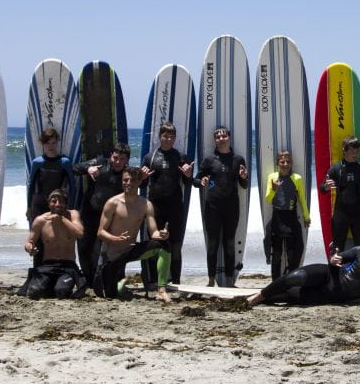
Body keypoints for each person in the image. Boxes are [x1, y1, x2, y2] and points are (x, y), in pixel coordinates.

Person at [247, 231, 360, 307]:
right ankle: (257, 296)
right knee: (295, 277)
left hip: (332, 294)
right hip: (328, 274)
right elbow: (337, 258)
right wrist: (334, 258)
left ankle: (250, 298)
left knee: (286, 297)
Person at [95, 167, 172, 302]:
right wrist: (116, 239)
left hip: (131, 249)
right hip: (113, 255)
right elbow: (100, 232)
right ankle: (121, 283)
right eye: (125, 180)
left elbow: (153, 232)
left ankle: (161, 290)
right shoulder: (113, 203)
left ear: (139, 182)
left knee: (163, 245)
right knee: (111, 294)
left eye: (132, 180)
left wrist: (162, 234)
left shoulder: (145, 204)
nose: (128, 183)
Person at [193, 126, 248, 287]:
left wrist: (244, 177)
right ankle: (210, 280)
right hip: (213, 206)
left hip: (232, 206)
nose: (221, 138)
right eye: (218, 136)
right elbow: (196, 180)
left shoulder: (238, 159)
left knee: (229, 242)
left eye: (224, 136)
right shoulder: (209, 160)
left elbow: (243, 185)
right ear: (214, 140)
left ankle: (230, 281)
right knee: (213, 243)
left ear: (229, 138)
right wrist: (201, 181)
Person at [141, 123, 192, 285]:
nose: (168, 139)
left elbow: (187, 182)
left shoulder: (180, 157)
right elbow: (142, 186)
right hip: (155, 207)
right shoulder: (150, 157)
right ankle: (154, 281)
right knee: (154, 244)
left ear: (175, 138)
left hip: (175, 207)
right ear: (159, 136)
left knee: (175, 245)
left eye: (171, 136)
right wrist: (141, 178)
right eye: (165, 136)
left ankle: (175, 280)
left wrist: (188, 175)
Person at [72, 143, 129, 286]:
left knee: (98, 253)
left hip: (109, 220)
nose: (117, 162)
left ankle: (106, 279)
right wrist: (88, 168)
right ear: (111, 155)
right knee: (84, 248)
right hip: (88, 213)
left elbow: (138, 187)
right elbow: (75, 168)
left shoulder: (127, 174)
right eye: (115, 158)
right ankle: (88, 280)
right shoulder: (99, 163)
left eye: (122, 159)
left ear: (126, 160)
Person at [22, 189, 86, 300]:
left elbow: (80, 234)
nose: (57, 204)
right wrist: (30, 248)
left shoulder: (73, 215)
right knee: (35, 292)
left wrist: (61, 219)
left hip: (68, 265)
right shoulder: (41, 220)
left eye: (61, 201)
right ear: (48, 203)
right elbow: (29, 242)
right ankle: (50, 284)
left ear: (66, 204)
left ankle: (60, 285)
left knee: (62, 292)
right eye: (54, 201)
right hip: (48, 265)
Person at [321, 136, 360, 254]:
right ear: (344, 150)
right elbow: (322, 189)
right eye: (351, 151)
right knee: (337, 247)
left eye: (357, 151)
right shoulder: (336, 168)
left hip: (359, 213)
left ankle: (359, 272)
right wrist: (326, 187)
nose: (355, 154)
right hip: (341, 213)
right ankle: (336, 272)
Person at [264, 151, 310, 280]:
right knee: (277, 256)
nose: (285, 164)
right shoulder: (272, 177)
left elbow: (301, 198)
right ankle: (275, 284)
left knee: (292, 256)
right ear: (277, 163)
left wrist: (306, 217)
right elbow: (268, 199)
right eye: (282, 162)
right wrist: (274, 189)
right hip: (277, 219)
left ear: (291, 163)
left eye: (288, 162)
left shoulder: (297, 178)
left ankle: (290, 284)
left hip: (291, 219)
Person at [26, 128, 73, 223]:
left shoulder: (65, 162)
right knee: (38, 235)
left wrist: (70, 206)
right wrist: (28, 207)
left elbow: (73, 185)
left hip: (57, 203)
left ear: (57, 142)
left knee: (56, 235)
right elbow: (31, 186)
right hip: (39, 203)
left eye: (53, 143)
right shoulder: (37, 162)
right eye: (47, 143)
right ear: (43, 144)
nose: (51, 146)